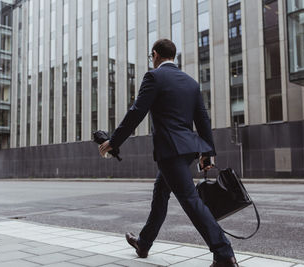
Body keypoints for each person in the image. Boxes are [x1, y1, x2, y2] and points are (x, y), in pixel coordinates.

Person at [99, 39, 238, 267]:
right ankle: (144, 243)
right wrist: (207, 153)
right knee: (160, 193)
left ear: (155, 55)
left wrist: (113, 142)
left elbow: (136, 113)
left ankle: (223, 254)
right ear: (173, 55)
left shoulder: (154, 77)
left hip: (170, 151)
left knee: (191, 201)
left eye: (150, 56)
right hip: (189, 150)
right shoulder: (191, 83)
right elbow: (202, 120)